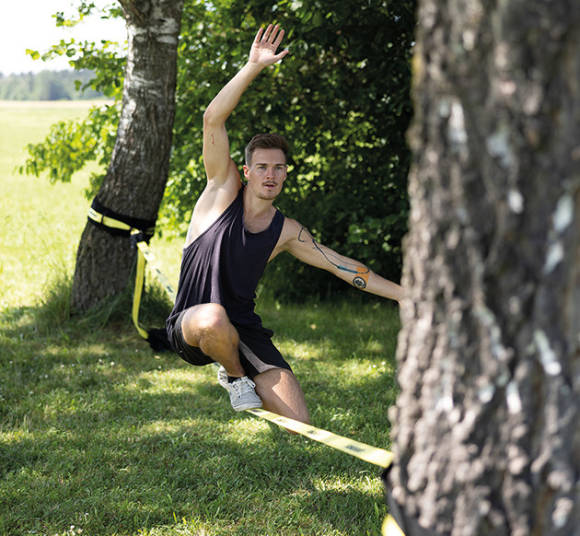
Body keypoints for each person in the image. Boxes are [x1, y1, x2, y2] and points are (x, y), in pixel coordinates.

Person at [166, 24, 403, 425]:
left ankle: (243, 367)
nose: (270, 175)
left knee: (301, 423)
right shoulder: (221, 191)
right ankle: (235, 376)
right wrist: (253, 66)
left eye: (278, 168)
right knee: (213, 318)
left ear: (286, 173)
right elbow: (212, 119)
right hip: (191, 324)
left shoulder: (288, 231)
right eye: (262, 167)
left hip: (243, 328)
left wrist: (404, 295)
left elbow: (343, 267)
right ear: (247, 170)